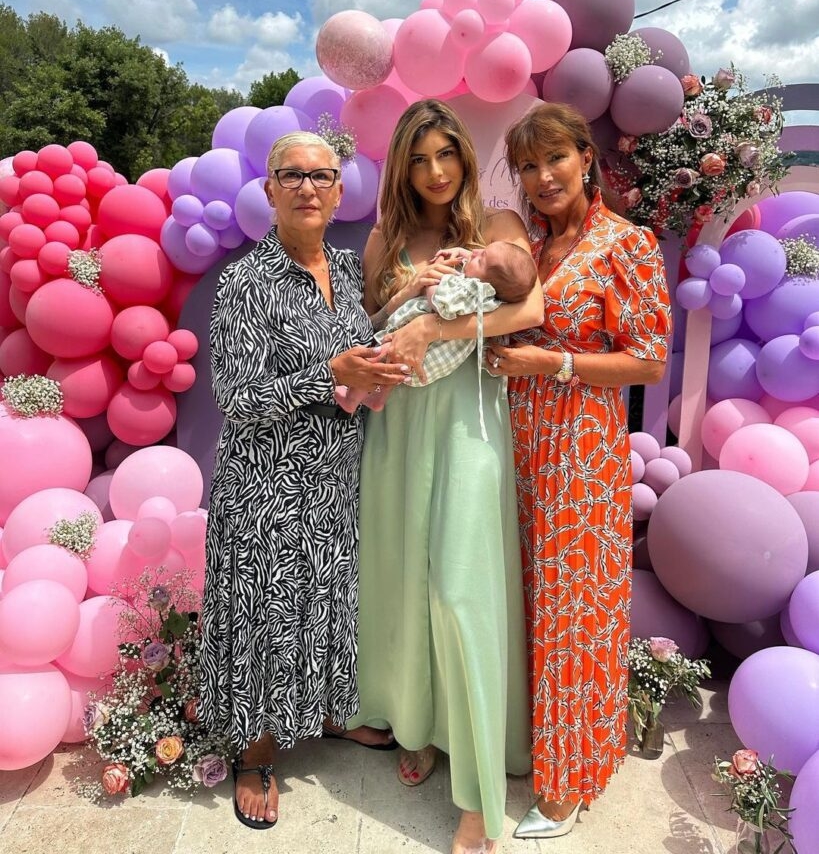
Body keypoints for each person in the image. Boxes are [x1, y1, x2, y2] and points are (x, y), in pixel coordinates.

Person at [200, 131, 408, 830]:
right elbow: (236, 398)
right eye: (291, 175)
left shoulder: (345, 272)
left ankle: (320, 713)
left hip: (335, 477)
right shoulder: (245, 283)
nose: (308, 187)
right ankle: (255, 754)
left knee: (323, 601)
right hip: (266, 486)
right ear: (269, 190)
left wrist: (403, 322)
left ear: (339, 190)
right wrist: (332, 375)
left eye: (321, 175)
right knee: (265, 614)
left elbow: (358, 340)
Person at [354, 99, 544, 854]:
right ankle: (419, 723)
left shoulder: (496, 225)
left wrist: (441, 322)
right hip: (398, 421)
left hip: (468, 420)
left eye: (446, 155)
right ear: (402, 166)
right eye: (419, 159)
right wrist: (409, 293)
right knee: (402, 580)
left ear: (465, 156)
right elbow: (370, 319)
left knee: (457, 589)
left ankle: (476, 792)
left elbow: (526, 307)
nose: (434, 172)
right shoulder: (385, 236)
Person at [487, 103, 671, 839]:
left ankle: (566, 782)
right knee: (525, 599)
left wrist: (551, 362)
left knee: (571, 609)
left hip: (577, 450)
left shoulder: (622, 243)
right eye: (527, 166)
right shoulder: (528, 245)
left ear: (584, 159)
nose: (540, 177)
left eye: (552, 160)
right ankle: (530, 744)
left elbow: (650, 361)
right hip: (514, 445)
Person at [334, 240, 537, 413]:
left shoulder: (469, 289)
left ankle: (352, 400)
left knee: (381, 359)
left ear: (487, 281)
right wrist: (464, 254)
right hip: (429, 357)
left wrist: (432, 277)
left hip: (429, 354)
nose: (474, 252)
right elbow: (484, 265)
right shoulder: (487, 293)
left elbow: (438, 301)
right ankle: (378, 399)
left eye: (480, 258)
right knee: (392, 364)